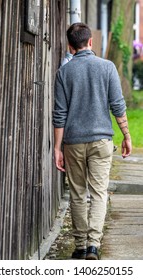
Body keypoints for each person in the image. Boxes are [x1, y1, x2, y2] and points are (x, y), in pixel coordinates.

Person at [52, 23, 132, 260]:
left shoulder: (63, 73)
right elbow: (118, 105)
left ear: (70, 46)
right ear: (90, 42)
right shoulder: (107, 67)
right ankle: (94, 246)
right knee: (98, 193)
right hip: (101, 141)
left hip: (73, 142)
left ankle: (79, 245)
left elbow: (59, 114)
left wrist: (57, 148)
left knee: (77, 194)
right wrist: (126, 135)